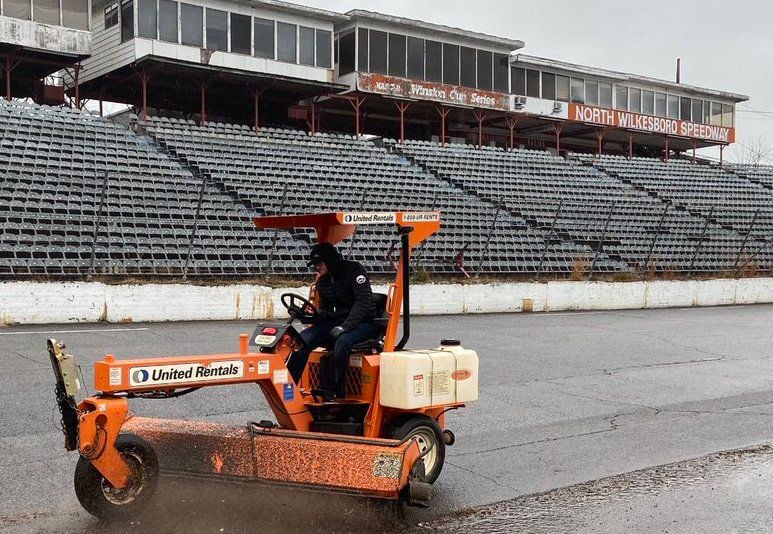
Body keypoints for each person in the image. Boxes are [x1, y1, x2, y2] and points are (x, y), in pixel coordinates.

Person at [287, 242, 377, 401]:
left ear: (330, 260)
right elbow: (327, 312)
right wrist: (310, 316)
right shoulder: (323, 282)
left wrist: (345, 327)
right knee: (303, 339)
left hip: (365, 322)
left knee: (342, 341)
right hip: (340, 321)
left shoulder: (354, 271)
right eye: (314, 264)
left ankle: (333, 390)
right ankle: (288, 388)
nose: (316, 267)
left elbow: (363, 303)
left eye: (319, 263)